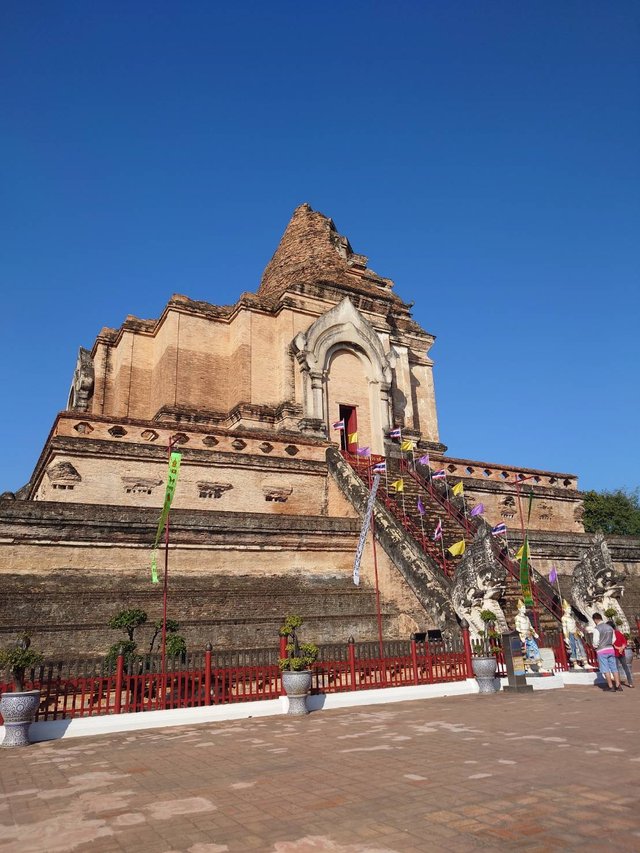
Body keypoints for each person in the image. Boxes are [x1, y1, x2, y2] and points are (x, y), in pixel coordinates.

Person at [591, 613, 622, 692]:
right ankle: (618, 685)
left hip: (602, 650)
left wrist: (595, 646)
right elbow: (613, 639)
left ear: (595, 620)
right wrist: (609, 643)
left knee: (605, 669)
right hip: (610, 649)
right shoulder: (610, 627)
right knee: (614, 668)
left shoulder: (597, 628)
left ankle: (610, 686)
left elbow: (595, 641)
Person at [610, 621, 634, 688]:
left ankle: (618, 683)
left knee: (616, 669)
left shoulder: (611, 634)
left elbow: (611, 644)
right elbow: (624, 642)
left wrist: (617, 648)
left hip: (615, 653)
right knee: (625, 667)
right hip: (621, 652)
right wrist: (621, 648)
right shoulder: (619, 633)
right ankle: (630, 683)